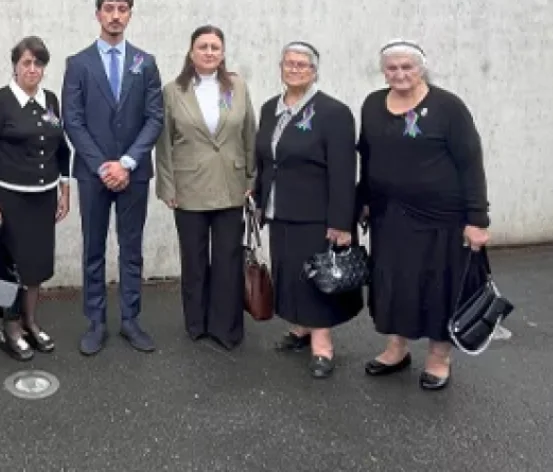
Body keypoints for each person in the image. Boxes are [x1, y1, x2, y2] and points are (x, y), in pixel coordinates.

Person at [358, 39, 492, 391]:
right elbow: (367, 156)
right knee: (393, 282)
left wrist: (477, 219)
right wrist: (364, 200)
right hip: (390, 216)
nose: (400, 74)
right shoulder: (372, 104)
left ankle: (438, 357)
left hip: (441, 218)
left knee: (437, 286)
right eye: (392, 68)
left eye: (407, 67)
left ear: (421, 69)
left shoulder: (449, 107)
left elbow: (470, 163)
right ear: (383, 71)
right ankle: (396, 349)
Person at [62, 0, 164, 355]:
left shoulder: (145, 62)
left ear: (130, 15)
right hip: (94, 174)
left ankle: (131, 320)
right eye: (109, 8)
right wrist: (102, 165)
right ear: (98, 15)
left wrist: (127, 162)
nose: (115, 15)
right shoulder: (78, 63)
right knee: (93, 248)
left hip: (134, 173)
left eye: (122, 9)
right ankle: (96, 322)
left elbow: (155, 118)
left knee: (131, 249)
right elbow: (72, 120)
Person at [254, 41, 361, 379]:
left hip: (316, 212)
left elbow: (344, 171)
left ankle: (322, 344)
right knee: (289, 272)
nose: (294, 69)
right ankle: (301, 328)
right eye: (289, 63)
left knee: (316, 277)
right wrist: (258, 197)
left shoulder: (333, 112)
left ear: (315, 71)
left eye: (302, 65)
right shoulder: (270, 108)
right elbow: (265, 159)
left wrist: (341, 221)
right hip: (279, 209)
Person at [155, 25, 257, 350]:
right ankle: (197, 323)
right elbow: (163, 143)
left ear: (223, 53)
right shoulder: (173, 91)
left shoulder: (237, 86)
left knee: (228, 260)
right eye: (203, 46)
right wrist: (167, 186)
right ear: (191, 52)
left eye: (215, 47)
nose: (209, 52)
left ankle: (225, 327)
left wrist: (252, 179)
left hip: (231, 185)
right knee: (194, 260)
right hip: (188, 187)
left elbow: (249, 134)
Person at [0, 36, 72, 361]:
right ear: (15, 66)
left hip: (43, 199)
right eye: (26, 63)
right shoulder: (0, 102)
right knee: (12, 267)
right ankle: (11, 329)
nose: (33, 69)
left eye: (38, 63)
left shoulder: (50, 100)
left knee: (37, 265)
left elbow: (61, 149)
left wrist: (64, 191)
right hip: (10, 199)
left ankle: (30, 322)